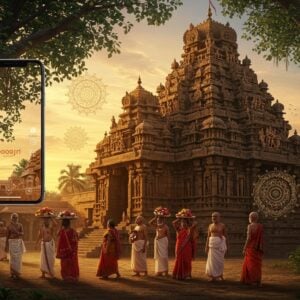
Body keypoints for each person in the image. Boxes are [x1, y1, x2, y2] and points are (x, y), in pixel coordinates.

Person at [172, 210, 198, 280]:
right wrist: (180, 217)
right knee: (179, 260)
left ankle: (187, 275)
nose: (183, 224)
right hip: (179, 246)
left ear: (188, 223)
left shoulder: (190, 230)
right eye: (182, 222)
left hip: (187, 247)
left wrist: (189, 218)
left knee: (187, 260)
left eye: (185, 222)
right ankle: (179, 274)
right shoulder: (178, 230)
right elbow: (173, 223)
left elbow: (195, 223)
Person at [241, 212, 263, 287]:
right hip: (258, 248)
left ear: (251, 218)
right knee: (257, 265)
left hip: (251, 247)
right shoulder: (260, 226)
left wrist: (244, 247)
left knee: (251, 265)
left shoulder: (250, 226)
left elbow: (249, 238)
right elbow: (261, 238)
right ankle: (258, 281)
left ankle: (252, 281)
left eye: (249, 217)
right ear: (257, 218)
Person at [205, 212, 228, 281]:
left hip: (219, 246)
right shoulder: (210, 226)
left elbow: (225, 236)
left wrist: (226, 245)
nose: (214, 218)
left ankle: (220, 274)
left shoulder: (222, 225)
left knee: (220, 261)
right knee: (212, 262)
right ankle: (213, 276)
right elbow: (208, 237)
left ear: (219, 217)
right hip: (212, 246)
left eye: (215, 216)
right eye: (212, 216)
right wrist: (206, 246)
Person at [56, 215, 79, 282]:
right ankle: (72, 276)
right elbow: (76, 240)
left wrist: (60, 227)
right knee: (71, 263)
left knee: (64, 263)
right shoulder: (73, 231)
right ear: (69, 224)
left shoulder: (62, 231)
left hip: (64, 251)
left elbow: (57, 235)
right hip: (71, 250)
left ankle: (66, 276)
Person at [5, 213, 26, 279]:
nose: (14, 218)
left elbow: (22, 233)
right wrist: (6, 245)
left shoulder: (20, 225)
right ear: (11, 218)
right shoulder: (9, 226)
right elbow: (7, 236)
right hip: (11, 242)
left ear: (17, 218)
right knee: (12, 258)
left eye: (16, 217)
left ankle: (17, 273)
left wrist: (18, 233)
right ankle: (12, 273)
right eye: (13, 217)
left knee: (18, 258)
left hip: (18, 242)